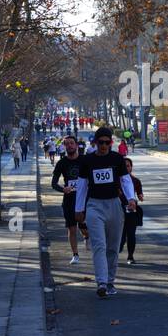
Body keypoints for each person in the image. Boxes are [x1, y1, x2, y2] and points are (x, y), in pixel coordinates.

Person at [74, 127, 136, 298]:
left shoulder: (117, 159)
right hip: (94, 206)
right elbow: (82, 186)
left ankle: (110, 281)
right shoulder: (87, 160)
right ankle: (101, 282)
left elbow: (125, 180)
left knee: (113, 247)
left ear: (111, 143)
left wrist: (131, 199)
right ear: (95, 142)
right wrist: (79, 209)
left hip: (114, 205)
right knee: (99, 246)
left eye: (106, 142)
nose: (103, 146)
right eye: (100, 142)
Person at [51, 135, 88, 264]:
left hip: (84, 199)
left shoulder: (85, 160)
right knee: (71, 228)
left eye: (72, 143)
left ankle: (86, 235)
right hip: (69, 200)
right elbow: (54, 183)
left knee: (84, 226)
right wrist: (63, 189)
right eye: (67, 144)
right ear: (64, 146)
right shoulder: (62, 163)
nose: (70, 146)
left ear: (76, 145)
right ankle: (75, 254)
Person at [119, 157, 144, 265]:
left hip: (131, 210)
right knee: (121, 234)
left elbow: (139, 194)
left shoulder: (136, 181)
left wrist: (140, 196)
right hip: (117, 210)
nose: (126, 167)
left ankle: (130, 256)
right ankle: (116, 250)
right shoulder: (115, 180)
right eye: (124, 166)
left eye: (128, 166)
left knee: (131, 233)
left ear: (131, 168)